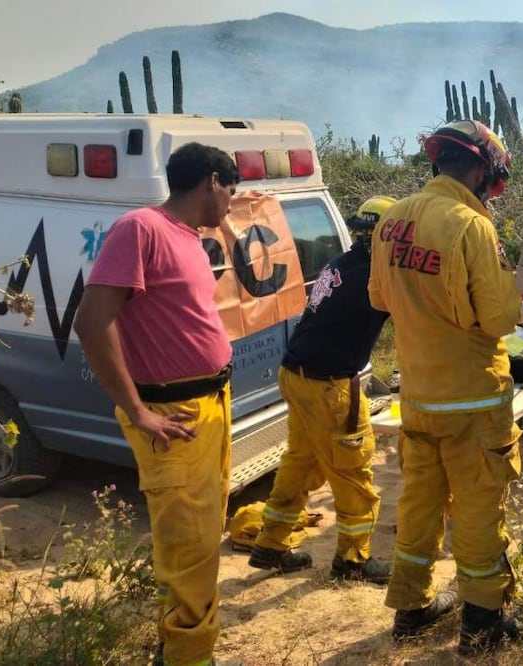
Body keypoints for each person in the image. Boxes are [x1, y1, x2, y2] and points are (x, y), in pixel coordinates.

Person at [73, 143, 239, 666]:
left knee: (207, 530)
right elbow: (91, 321)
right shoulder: (141, 228)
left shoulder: (192, 237)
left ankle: (188, 645)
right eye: (230, 190)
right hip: (175, 413)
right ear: (211, 181)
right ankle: (188, 656)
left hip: (213, 401)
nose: (233, 202)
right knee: (188, 544)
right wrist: (139, 412)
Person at [368, 119, 523, 657]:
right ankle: (480, 624)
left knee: (419, 503)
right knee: (479, 508)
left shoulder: (392, 220)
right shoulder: (472, 226)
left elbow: (380, 299)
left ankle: (410, 610)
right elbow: (502, 317)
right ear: (482, 169)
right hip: (474, 402)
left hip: (418, 398)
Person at [246, 195, 397, 583]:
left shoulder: (341, 263)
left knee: (302, 461)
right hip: (328, 386)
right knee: (352, 469)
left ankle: (271, 542)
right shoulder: (375, 277)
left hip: (296, 374)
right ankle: (353, 560)